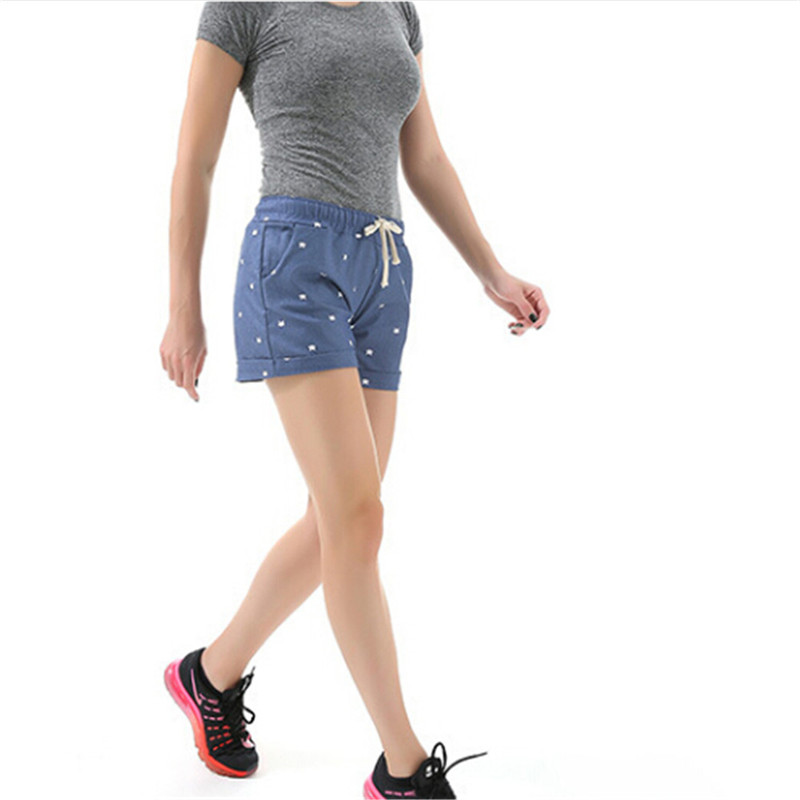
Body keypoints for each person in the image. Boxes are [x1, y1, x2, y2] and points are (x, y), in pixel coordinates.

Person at [160, 2, 550, 797]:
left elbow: (425, 155)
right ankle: (403, 767)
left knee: (340, 521)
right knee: (357, 519)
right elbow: (195, 159)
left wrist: (492, 271)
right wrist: (183, 309)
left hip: (384, 270)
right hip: (292, 265)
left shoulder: (396, 9)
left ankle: (210, 673)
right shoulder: (245, 6)